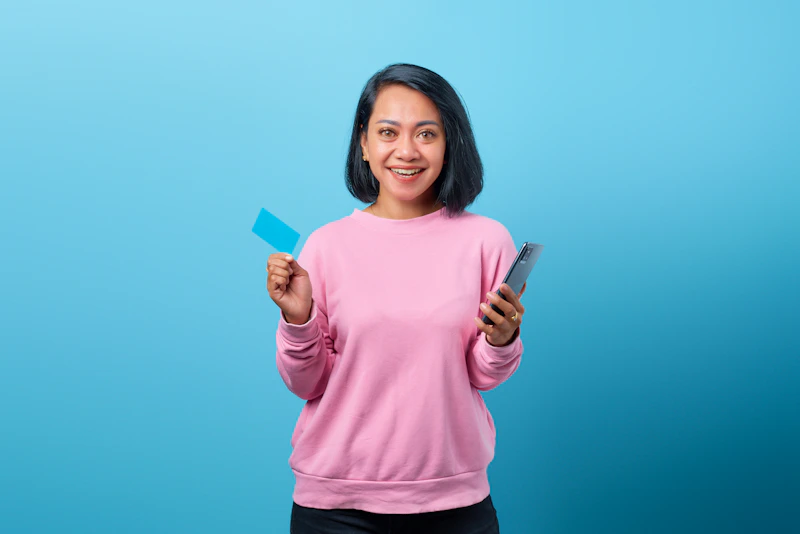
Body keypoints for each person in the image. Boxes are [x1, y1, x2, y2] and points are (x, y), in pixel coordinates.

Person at [266, 63, 528, 534]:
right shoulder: (325, 246)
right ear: (364, 144)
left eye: (426, 134)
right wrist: (298, 320)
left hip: (454, 502)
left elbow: (482, 376)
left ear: (450, 144)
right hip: (335, 505)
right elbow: (306, 384)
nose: (406, 151)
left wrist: (502, 339)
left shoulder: (487, 241)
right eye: (388, 132)